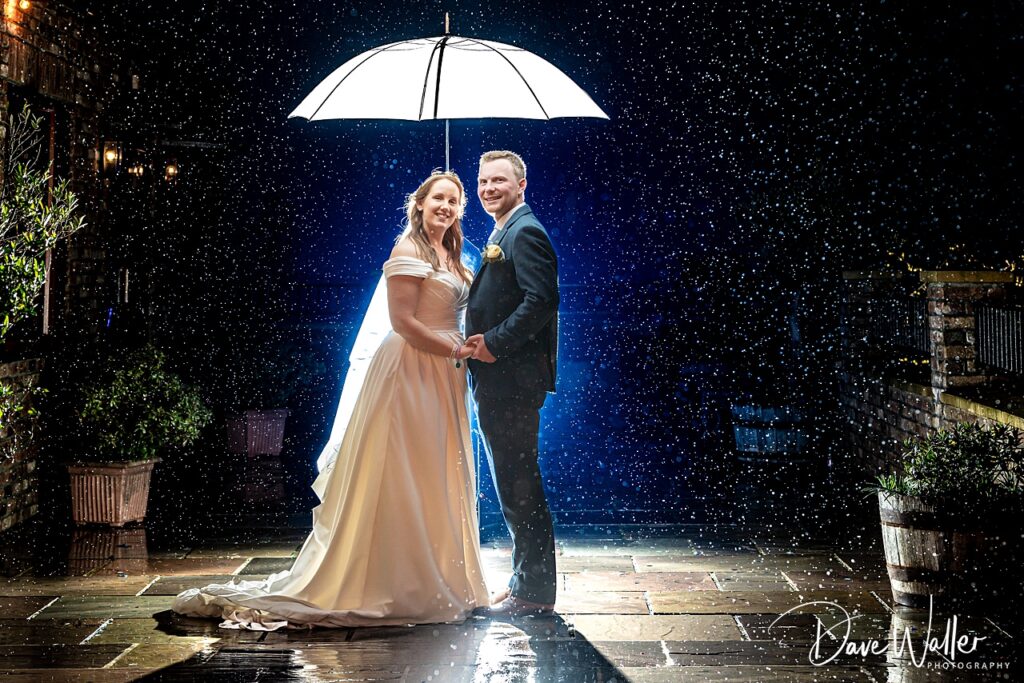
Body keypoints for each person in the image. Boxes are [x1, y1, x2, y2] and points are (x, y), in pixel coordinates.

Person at [171, 171, 489, 630]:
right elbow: (402, 322)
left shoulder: (455, 254)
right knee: (403, 468)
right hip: (411, 368)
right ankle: (397, 578)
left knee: (435, 468)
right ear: (418, 204)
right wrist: (453, 348)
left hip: (444, 374)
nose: (446, 205)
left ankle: (442, 571)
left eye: (454, 201)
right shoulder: (407, 250)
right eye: (438, 197)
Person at [465, 151, 559, 617]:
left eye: (499, 180)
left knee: (520, 484)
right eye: (482, 182)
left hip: (511, 379)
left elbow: (542, 300)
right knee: (513, 482)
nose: (488, 189)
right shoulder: (504, 229)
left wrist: (494, 344)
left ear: (522, 184)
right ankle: (525, 581)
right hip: (500, 379)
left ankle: (535, 594)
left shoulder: (526, 231)